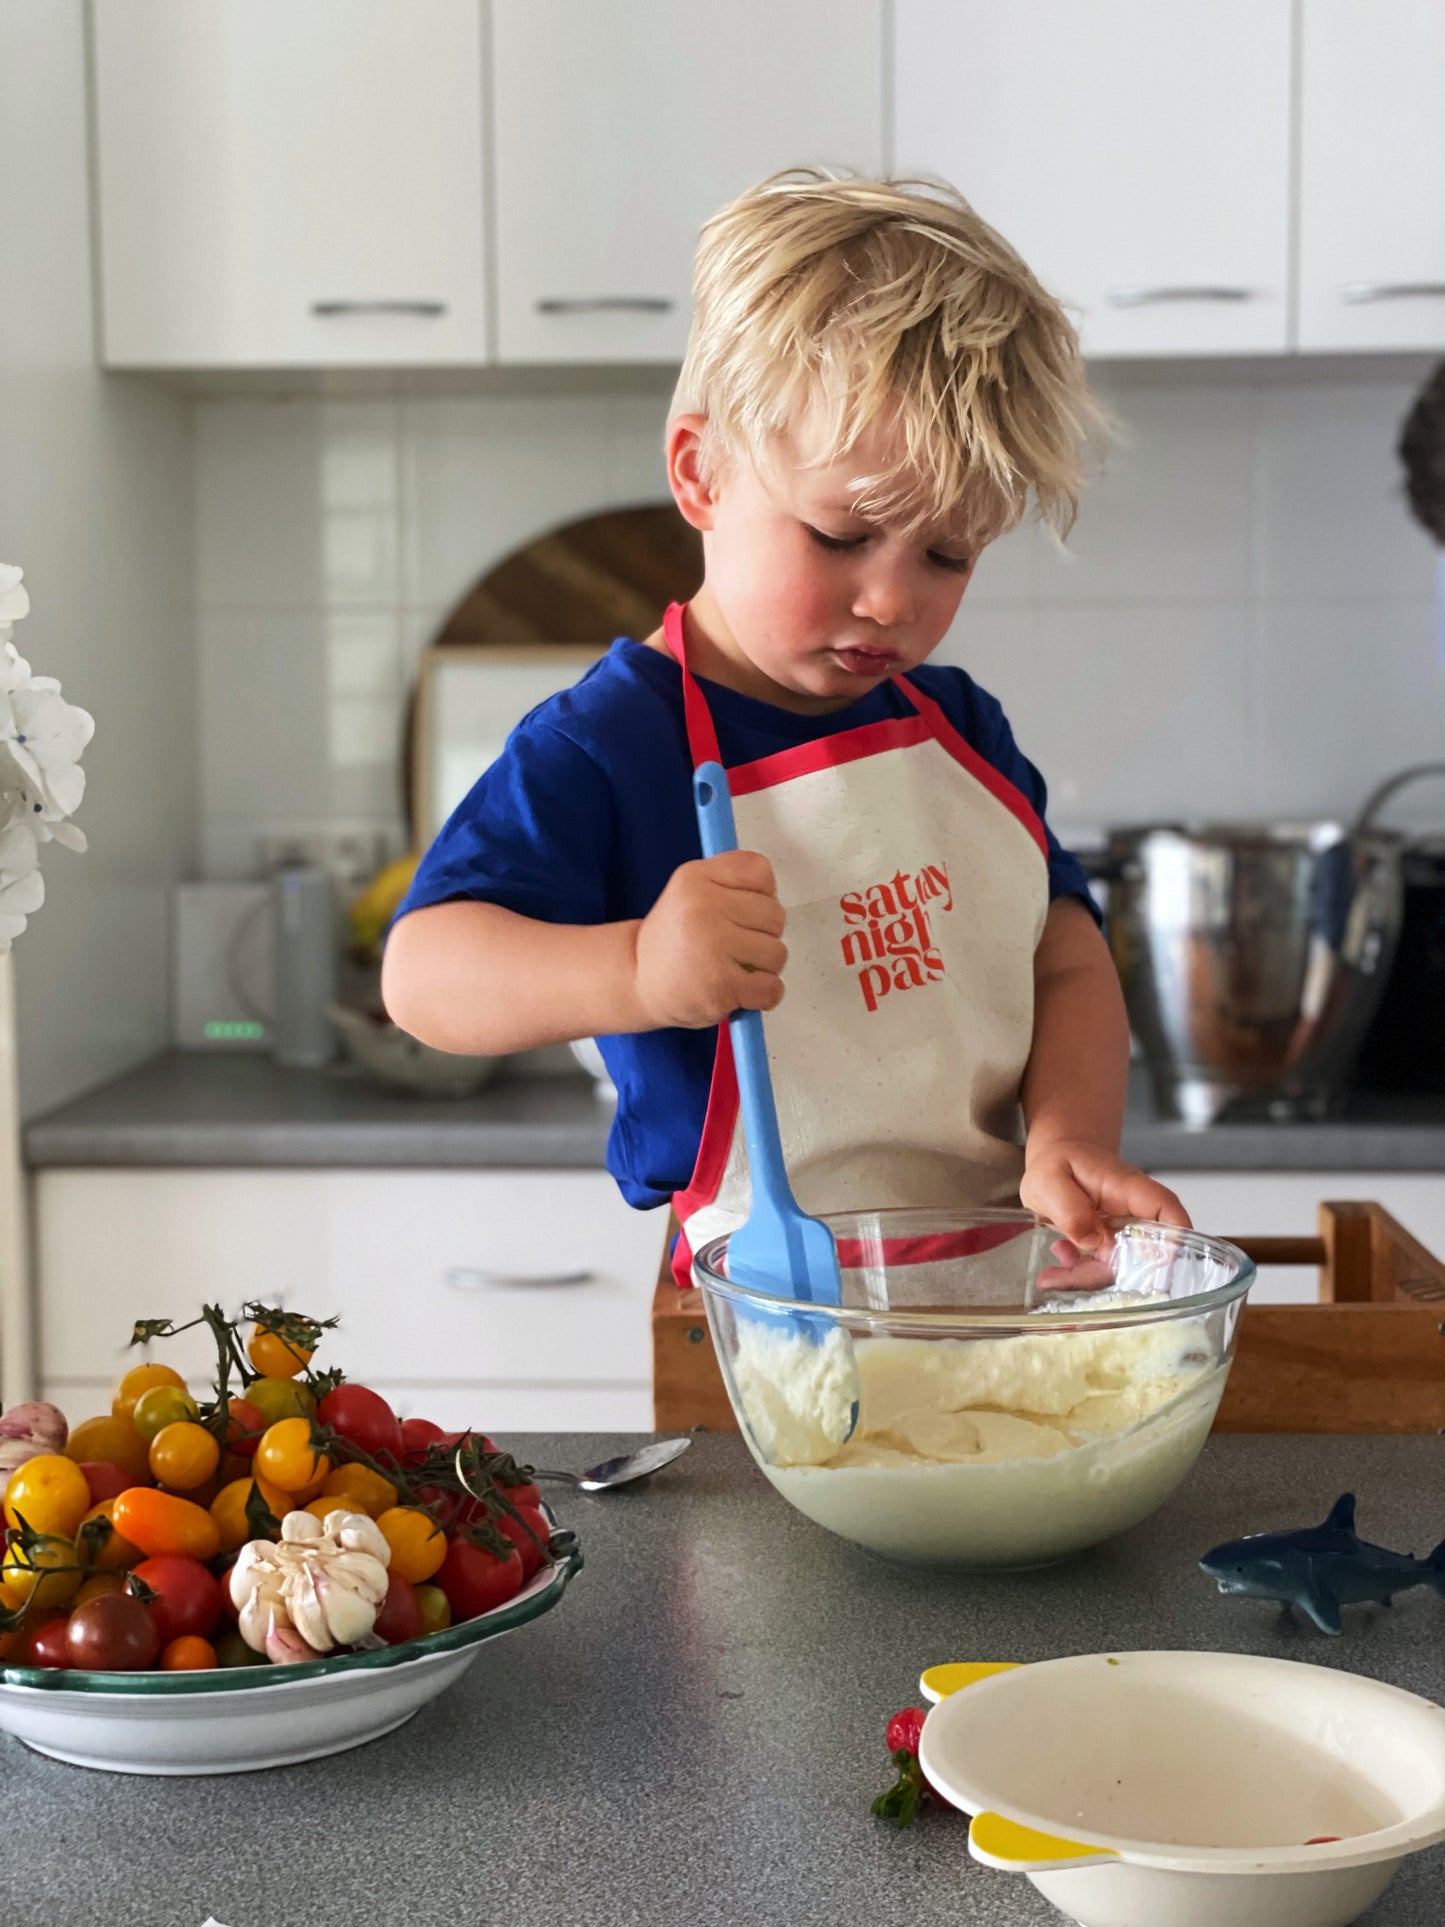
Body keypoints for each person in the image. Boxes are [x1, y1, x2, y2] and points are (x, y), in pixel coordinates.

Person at [382, 170, 1187, 1283]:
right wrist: (640, 969)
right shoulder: (608, 745)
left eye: (946, 555)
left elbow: (1063, 956)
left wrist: (1069, 1136)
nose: (893, 601)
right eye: (840, 536)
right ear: (698, 471)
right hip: (764, 1313)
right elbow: (422, 975)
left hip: (995, 1283)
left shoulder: (957, 731)